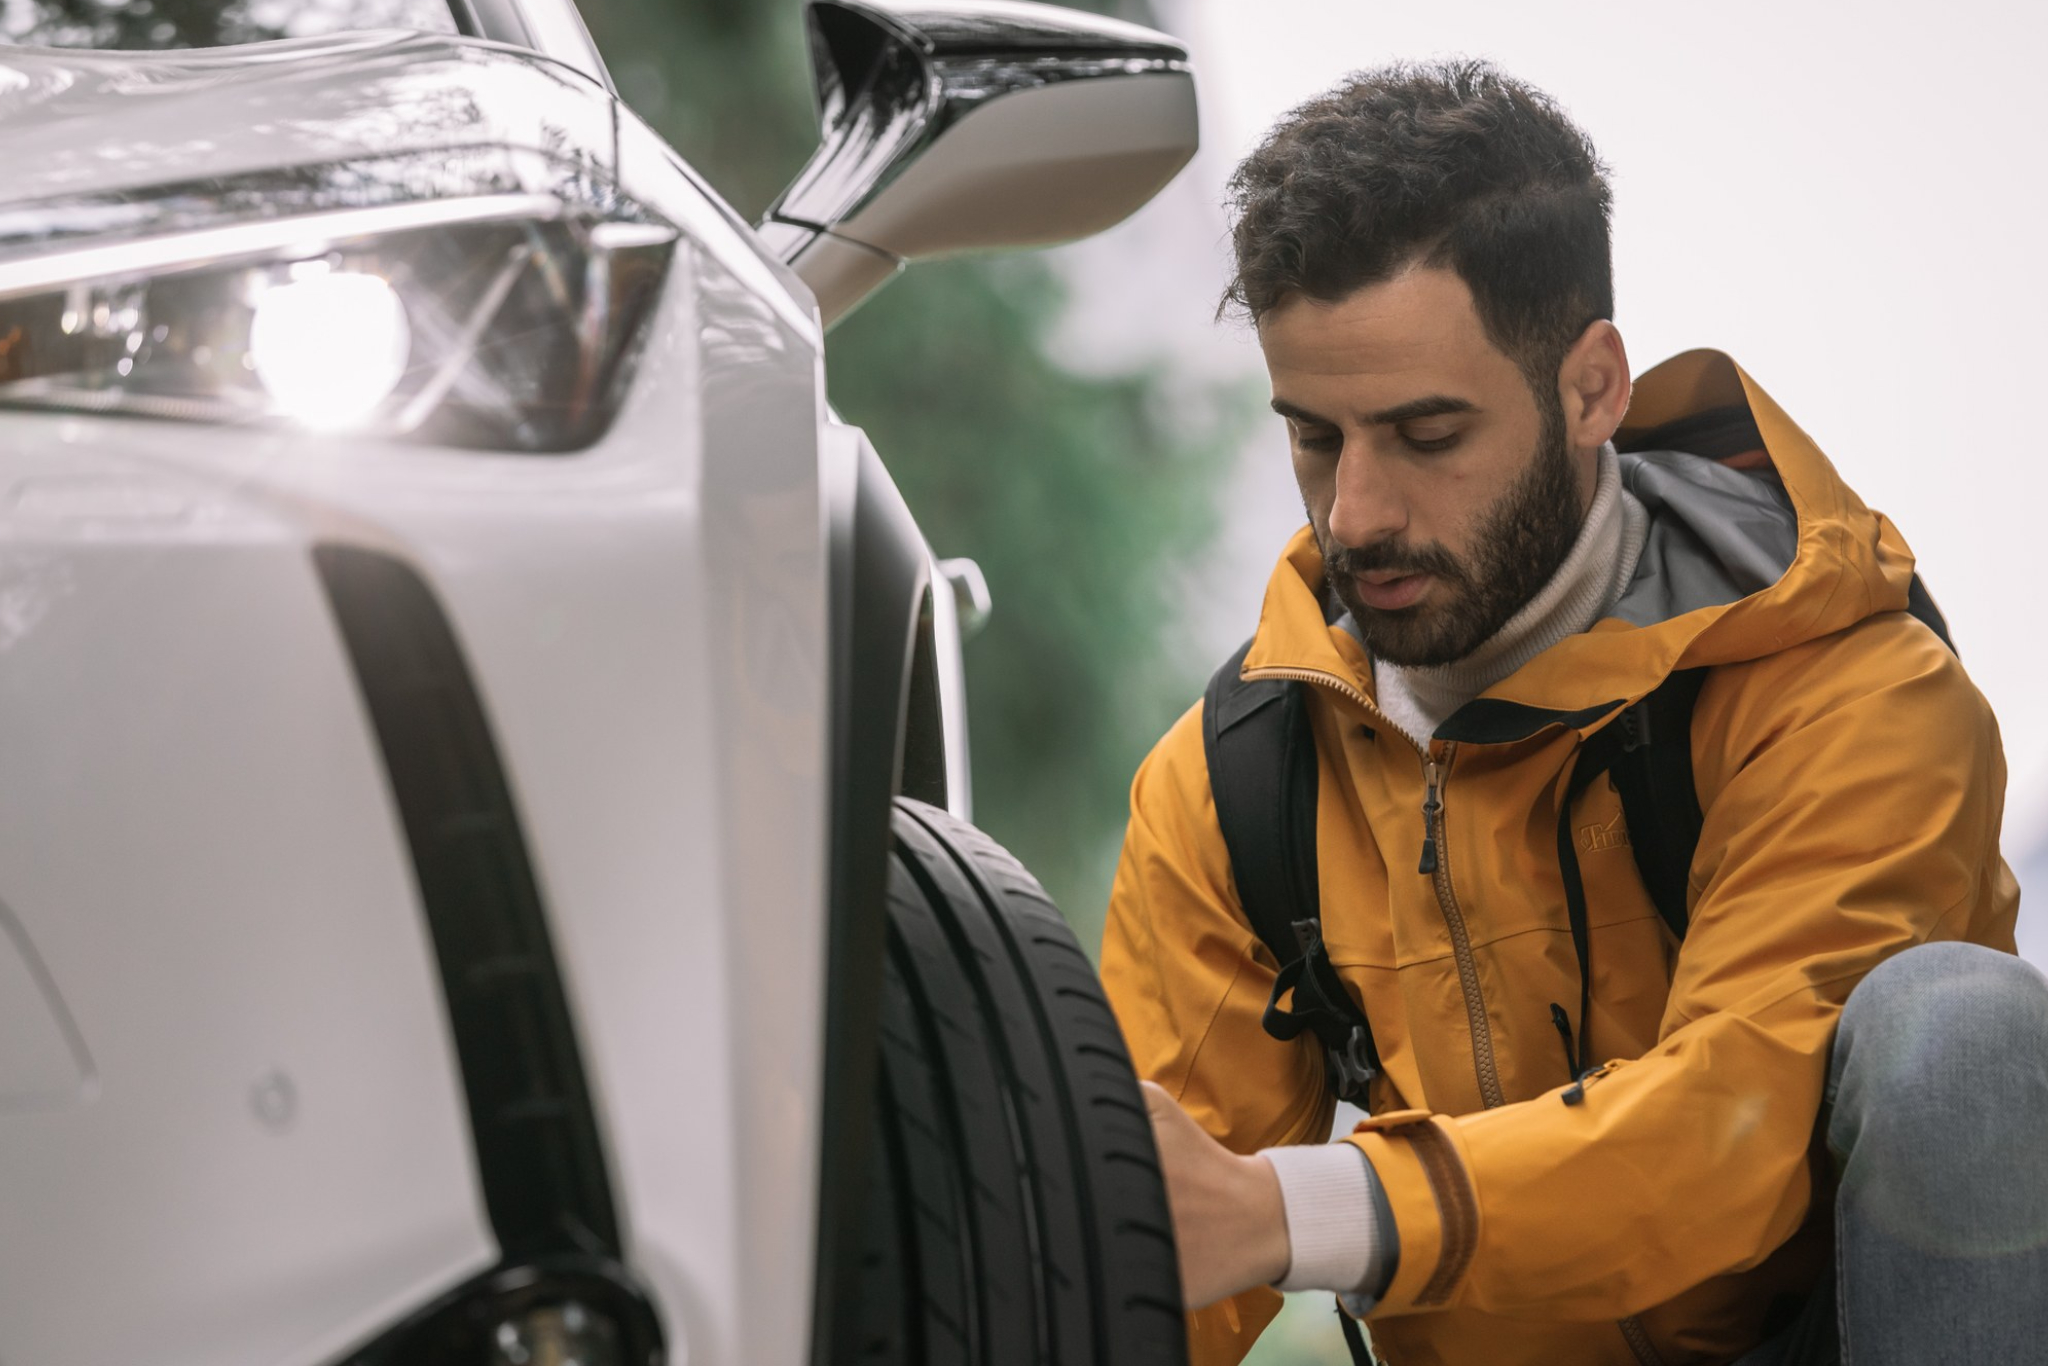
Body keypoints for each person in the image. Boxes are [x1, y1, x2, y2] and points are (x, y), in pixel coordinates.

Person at [1100, 59, 2040, 1366]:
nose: (1355, 512)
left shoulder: (1850, 692)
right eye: (1314, 435)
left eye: (1426, 434)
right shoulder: (1231, 781)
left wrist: (1301, 1205)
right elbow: (1154, 1263)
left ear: (1594, 386)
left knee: (1962, 1033)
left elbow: (1735, 1132)